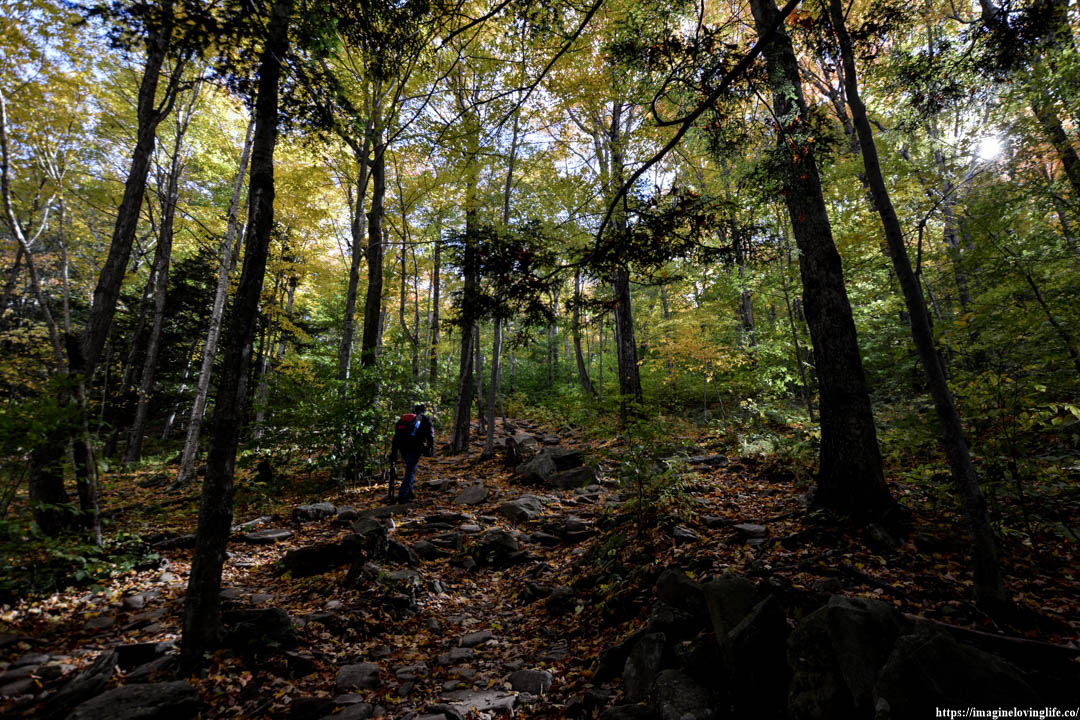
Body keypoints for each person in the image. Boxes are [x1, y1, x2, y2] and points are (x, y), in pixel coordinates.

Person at [389, 403, 434, 503]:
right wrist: (430, 448)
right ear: (424, 411)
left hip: (402, 447)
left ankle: (409, 493)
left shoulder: (405, 420)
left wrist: (394, 453)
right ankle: (403, 495)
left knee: (409, 468)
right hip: (415, 447)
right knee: (410, 470)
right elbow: (430, 435)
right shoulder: (425, 419)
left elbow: (396, 437)